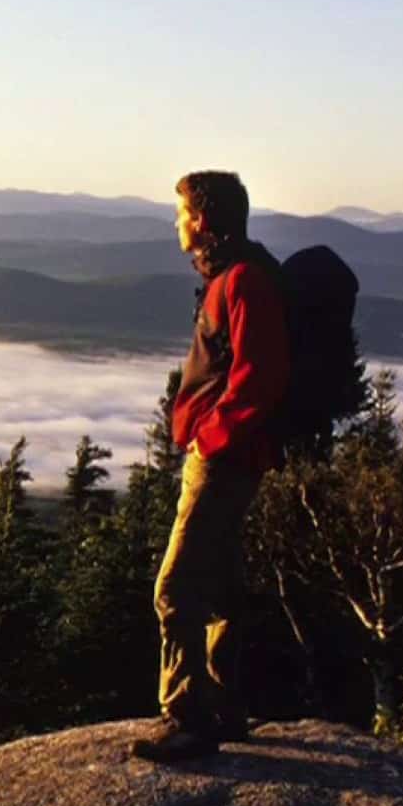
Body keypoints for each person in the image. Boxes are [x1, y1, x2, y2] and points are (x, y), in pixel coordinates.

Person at [132, 170, 289, 763]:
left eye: (179, 214)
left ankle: (188, 717)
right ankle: (224, 706)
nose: (175, 223)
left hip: (223, 458)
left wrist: (210, 438)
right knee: (220, 584)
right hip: (227, 454)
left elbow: (260, 376)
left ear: (201, 219)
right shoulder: (232, 275)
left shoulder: (244, 280)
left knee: (173, 589)